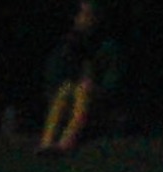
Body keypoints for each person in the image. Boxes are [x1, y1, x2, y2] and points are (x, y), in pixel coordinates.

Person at [36, 1, 122, 153]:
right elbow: (55, 73)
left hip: (94, 99)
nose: (84, 19)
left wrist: (97, 88)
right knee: (66, 90)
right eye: (82, 15)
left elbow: (112, 80)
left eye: (89, 15)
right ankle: (47, 141)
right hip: (68, 96)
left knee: (83, 91)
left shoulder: (106, 47)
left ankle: (66, 142)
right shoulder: (69, 45)